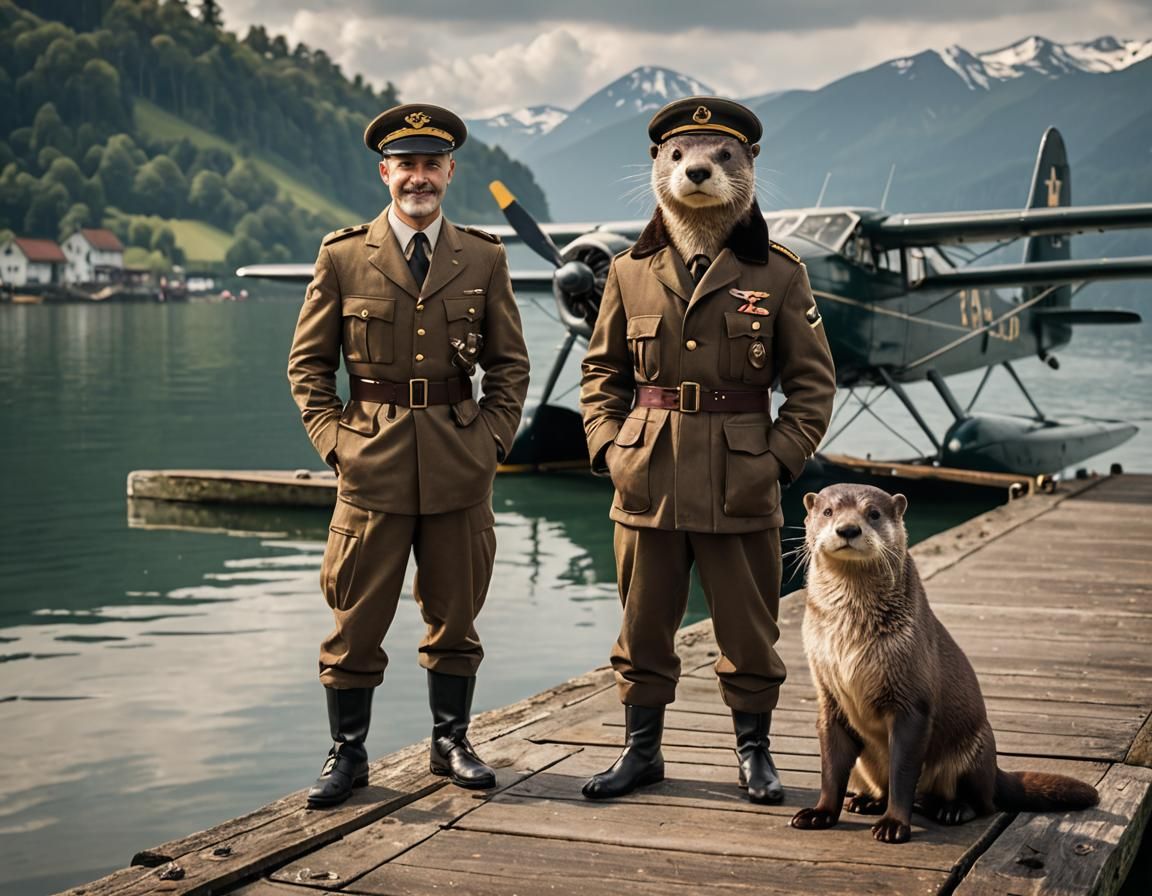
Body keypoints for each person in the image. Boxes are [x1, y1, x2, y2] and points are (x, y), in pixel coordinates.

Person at [579, 96, 836, 804]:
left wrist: (777, 459)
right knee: (642, 626)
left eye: (722, 158)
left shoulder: (780, 274)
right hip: (647, 476)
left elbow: (813, 385)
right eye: (680, 157)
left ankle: (754, 755)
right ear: (657, 168)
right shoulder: (629, 272)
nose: (699, 168)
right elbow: (602, 372)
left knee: (751, 629)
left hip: (741, 477)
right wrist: (609, 448)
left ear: (749, 169)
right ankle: (641, 753)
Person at [287, 103, 530, 808]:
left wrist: (491, 442)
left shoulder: (483, 256)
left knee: (455, 614)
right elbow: (307, 368)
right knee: (356, 618)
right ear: (385, 172)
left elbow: (510, 366)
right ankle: (348, 753)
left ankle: (450, 741)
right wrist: (336, 444)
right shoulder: (341, 254)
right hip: (371, 461)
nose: (419, 177)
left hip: (460, 460)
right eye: (407, 165)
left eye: (432, 164)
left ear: (449, 171)